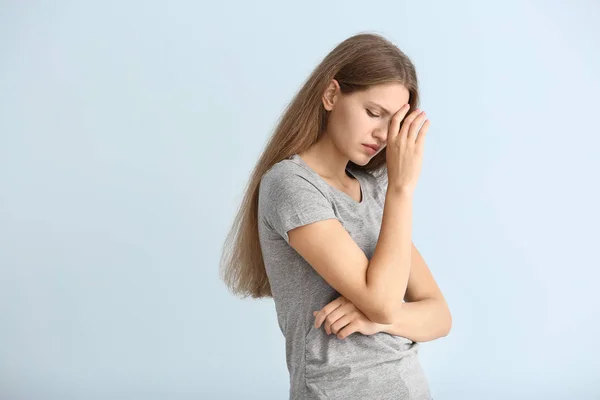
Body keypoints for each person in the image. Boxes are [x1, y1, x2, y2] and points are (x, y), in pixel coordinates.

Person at [220, 32, 451, 400]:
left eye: (394, 123)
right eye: (373, 113)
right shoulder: (290, 185)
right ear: (330, 95)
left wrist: (372, 320)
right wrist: (402, 190)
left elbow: (439, 316)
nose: (382, 134)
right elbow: (383, 301)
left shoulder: (373, 189)